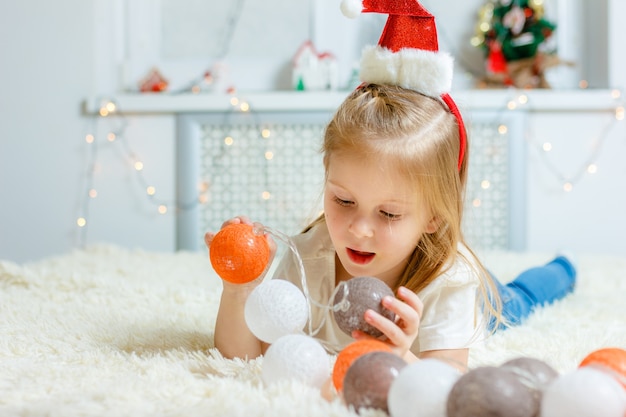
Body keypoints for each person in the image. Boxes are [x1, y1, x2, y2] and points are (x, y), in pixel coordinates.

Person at [205, 1, 577, 369]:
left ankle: (564, 267)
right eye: (344, 200)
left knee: (516, 300)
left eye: (388, 213)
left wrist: (403, 356)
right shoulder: (309, 256)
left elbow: (446, 373)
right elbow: (246, 357)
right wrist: (239, 288)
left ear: (434, 215)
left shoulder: (449, 280)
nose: (358, 229)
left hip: (472, 289)